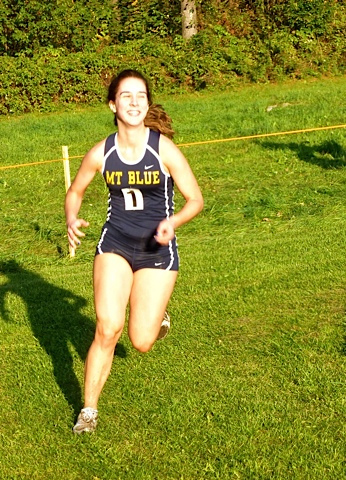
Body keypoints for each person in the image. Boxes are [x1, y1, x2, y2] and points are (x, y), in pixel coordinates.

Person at [65, 69, 204, 434]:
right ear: (113, 104)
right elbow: (75, 191)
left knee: (140, 341)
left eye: (140, 95)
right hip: (115, 243)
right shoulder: (102, 152)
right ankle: (89, 412)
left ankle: (158, 317)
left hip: (157, 250)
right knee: (108, 327)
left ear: (147, 103)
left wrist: (172, 223)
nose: (133, 101)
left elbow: (196, 200)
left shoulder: (163, 150)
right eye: (125, 96)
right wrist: (71, 218)